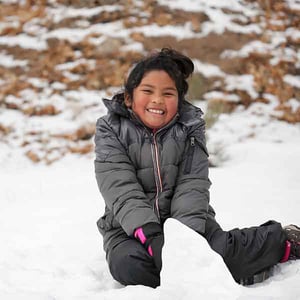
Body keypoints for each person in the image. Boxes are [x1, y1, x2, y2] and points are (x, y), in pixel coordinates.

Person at [94, 48, 300, 288]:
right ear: (129, 97)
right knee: (130, 266)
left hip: (189, 222)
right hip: (129, 229)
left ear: (179, 101)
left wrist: (184, 240)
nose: (157, 100)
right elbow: (119, 186)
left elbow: (193, 184)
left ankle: (282, 240)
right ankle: (222, 271)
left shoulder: (190, 127)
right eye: (148, 91)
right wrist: (151, 235)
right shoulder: (110, 128)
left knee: (220, 251)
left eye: (168, 93)